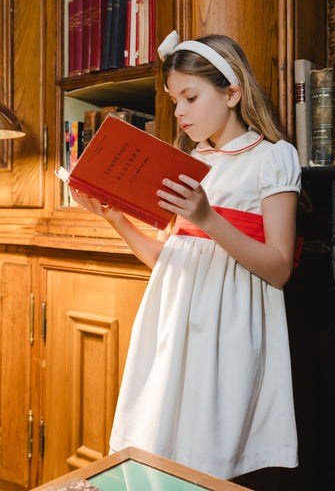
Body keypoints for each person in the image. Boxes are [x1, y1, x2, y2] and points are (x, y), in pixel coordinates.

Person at [70, 31, 302, 481]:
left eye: (190, 97)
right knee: (158, 450)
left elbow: (277, 269)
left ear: (232, 93)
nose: (179, 112)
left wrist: (208, 217)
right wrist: (117, 219)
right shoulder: (187, 161)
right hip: (170, 324)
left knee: (209, 456)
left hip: (226, 332)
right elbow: (171, 259)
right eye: (175, 100)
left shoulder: (271, 158)